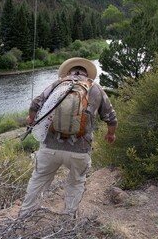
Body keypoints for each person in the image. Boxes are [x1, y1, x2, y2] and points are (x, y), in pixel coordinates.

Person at [19, 57, 117, 218]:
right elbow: (111, 117)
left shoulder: (58, 84)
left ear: (69, 71)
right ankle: (68, 219)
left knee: (38, 180)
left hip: (50, 147)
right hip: (80, 149)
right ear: (87, 73)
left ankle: (25, 216)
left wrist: (30, 120)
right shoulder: (95, 88)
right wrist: (111, 134)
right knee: (76, 182)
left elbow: (35, 105)